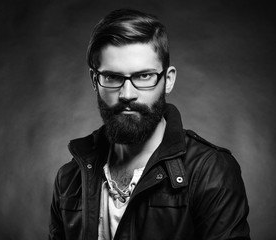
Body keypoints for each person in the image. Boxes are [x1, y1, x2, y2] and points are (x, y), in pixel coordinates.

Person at [49, 8, 250, 240]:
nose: (127, 94)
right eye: (112, 77)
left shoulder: (210, 173)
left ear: (168, 80)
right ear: (95, 81)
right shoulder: (69, 180)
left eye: (143, 76)